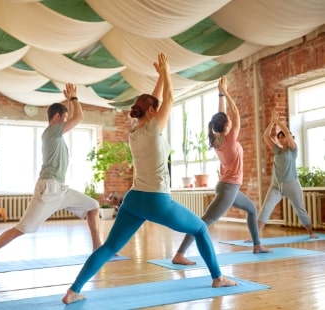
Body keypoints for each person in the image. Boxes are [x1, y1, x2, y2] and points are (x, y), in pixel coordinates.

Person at [62, 53, 237, 305]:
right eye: (155, 107)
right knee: (199, 228)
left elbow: (154, 102)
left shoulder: (133, 131)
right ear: (152, 111)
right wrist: (166, 72)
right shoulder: (155, 128)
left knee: (109, 247)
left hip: (134, 200)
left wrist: (158, 78)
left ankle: (73, 290)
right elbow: (170, 99)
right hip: (157, 201)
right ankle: (218, 277)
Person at [0, 83, 102, 271]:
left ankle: (98, 248)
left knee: (93, 206)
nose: (68, 123)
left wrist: (69, 102)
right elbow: (79, 117)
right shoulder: (51, 132)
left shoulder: (57, 137)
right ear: (57, 117)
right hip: (48, 189)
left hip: (61, 189)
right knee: (21, 229)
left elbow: (75, 117)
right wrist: (74, 98)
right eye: (65, 118)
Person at [172, 76, 271, 266]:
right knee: (204, 222)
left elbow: (222, 114)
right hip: (228, 188)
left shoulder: (216, 138)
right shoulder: (231, 139)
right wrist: (225, 91)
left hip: (228, 187)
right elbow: (233, 112)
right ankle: (179, 253)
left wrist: (220, 94)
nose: (230, 122)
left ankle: (257, 245)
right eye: (228, 122)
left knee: (251, 209)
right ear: (226, 126)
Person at [249, 111, 317, 239]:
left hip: (291, 184)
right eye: (279, 137)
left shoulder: (293, 150)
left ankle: (310, 232)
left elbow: (286, 132)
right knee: (266, 208)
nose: (280, 138)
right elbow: (265, 136)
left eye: (283, 136)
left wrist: (279, 122)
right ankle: (255, 236)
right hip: (276, 185)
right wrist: (272, 122)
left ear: (289, 137)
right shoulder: (277, 150)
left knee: (300, 210)